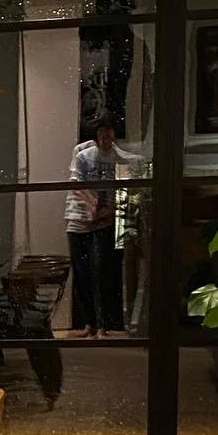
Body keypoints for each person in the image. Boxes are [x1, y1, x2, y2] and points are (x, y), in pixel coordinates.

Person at [65, 116, 130, 337]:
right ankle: (89, 324)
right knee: (82, 273)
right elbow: (76, 185)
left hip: (105, 220)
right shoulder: (82, 153)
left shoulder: (120, 156)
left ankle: (104, 325)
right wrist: (92, 204)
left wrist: (108, 212)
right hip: (79, 218)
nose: (106, 138)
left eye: (109, 133)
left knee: (102, 272)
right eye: (102, 133)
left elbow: (126, 191)